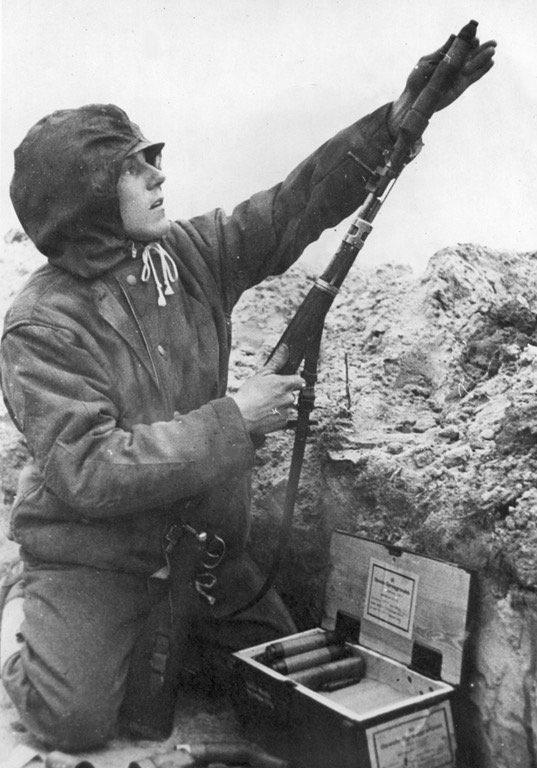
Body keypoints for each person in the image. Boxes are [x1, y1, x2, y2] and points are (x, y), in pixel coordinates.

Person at [0, 33, 496, 752]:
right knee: (70, 721)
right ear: (88, 199)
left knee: (284, 689)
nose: (159, 176)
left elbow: (291, 207)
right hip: (96, 561)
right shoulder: (42, 324)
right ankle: (30, 618)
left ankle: (157, 642)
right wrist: (235, 419)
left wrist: (393, 125)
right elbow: (88, 470)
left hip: (203, 555)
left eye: (152, 159)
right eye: (134, 168)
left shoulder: (187, 254)